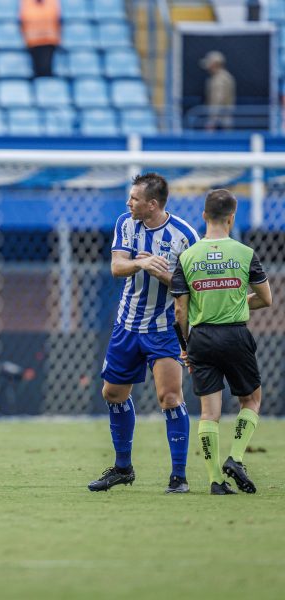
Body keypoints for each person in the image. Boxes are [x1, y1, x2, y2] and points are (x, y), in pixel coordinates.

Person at [88, 173, 200, 494]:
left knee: (169, 397)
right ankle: (123, 468)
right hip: (127, 325)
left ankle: (178, 477)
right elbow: (116, 267)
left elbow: (190, 289)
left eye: (134, 199)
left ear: (152, 204)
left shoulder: (185, 236)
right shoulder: (126, 223)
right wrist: (143, 264)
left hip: (163, 329)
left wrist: (164, 274)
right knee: (112, 394)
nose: (128, 203)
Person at [171, 189, 272, 495]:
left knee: (208, 412)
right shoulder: (244, 253)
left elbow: (180, 310)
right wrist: (238, 304)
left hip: (201, 337)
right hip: (235, 334)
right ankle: (236, 458)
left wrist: (185, 346)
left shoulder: (187, 257)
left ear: (204, 216)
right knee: (251, 400)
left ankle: (216, 481)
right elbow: (266, 299)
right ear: (232, 218)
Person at [20, 0, 61, 79]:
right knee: (37, 70)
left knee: (46, 69)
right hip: (33, 41)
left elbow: (56, 18)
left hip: (48, 40)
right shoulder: (26, 3)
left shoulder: (52, 3)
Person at [200, 50, 236, 131]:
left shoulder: (219, 79)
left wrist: (212, 121)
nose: (208, 67)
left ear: (215, 64)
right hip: (224, 119)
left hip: (219, 121)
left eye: (209, 64)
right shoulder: (225, 76)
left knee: (217, 142)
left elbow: (217, 99)